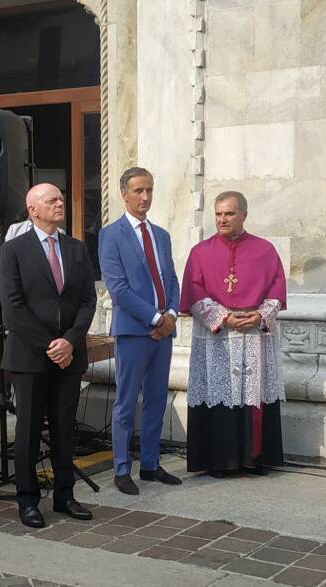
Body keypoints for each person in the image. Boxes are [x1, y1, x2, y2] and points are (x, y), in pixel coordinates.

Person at [0, 183, 98, 528]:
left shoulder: (76, 248)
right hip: (30, 356)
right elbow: (12, 308)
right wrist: (50, 344)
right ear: (32, 210)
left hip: (69, 356)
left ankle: (65, 495)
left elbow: (88, 300)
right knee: (27, 430)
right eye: (51, 200)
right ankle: (27, 500)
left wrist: (69, 341)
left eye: (60, 198)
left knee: (63, 428)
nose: (60, 203)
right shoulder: (14, 250)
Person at [179, 191, 286, 479]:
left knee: (253, 394)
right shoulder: (200, 252)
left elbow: (277, 287)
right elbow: (193, 290)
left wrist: (260, 315)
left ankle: (253, 459)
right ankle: (220, 460)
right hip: (217, 336)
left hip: (253, 333)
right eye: (218, 214)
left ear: (244, 215)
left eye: (229, 213)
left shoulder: (265, 250)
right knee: (218, 392)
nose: (222, 219)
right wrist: (223, 317)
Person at [99, 167, 182, 495]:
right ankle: (122, 468)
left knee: (156, 399)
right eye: (138, 191)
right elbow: (118, 289)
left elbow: (171, 278)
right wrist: (155, 318)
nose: (145, 197)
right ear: (124, 194)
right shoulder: (112, 234)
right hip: (134, 332)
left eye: (149, 190)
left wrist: (172, 315)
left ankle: (150, 464)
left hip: (164, 332)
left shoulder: (161, 234)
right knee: (126, 400)